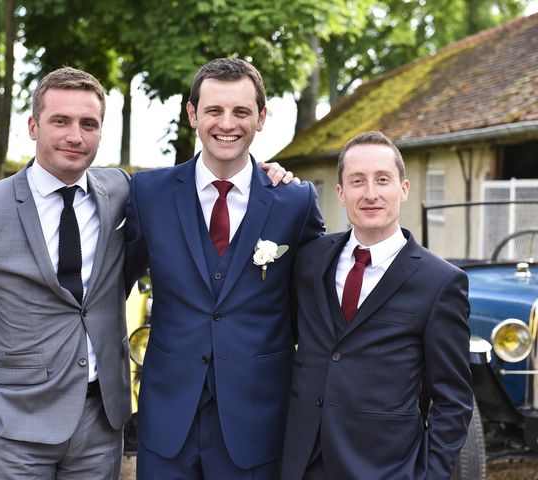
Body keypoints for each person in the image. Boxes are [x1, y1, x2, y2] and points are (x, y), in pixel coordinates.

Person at [0, 67, 132, 479]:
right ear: (33, 126)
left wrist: (269, 176)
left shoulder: (119, 192)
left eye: (89, 124)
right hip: (11, 430)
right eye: (60, 121)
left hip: (100, 427)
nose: (75, 136)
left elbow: (189, 188)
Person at [124, 57, 325, 480]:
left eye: (241, 111)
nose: (227, 123)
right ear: (193, 114)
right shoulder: (148, 193)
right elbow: (111, 290)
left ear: (262, 117)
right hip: (167, 423)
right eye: (214, 110)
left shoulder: (295, 201)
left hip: (257, 424)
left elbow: (315, 306)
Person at [280, 131, 473, 479]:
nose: (370, 193)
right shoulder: (309, 259)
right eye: (357, 181)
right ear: (341, 193)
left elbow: (453, 400)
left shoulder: (440, 282)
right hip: (300, 463)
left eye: (382, 180)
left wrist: (428, 474)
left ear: (403, 188)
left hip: (385, 468)